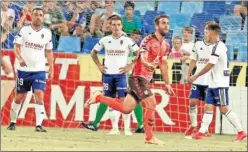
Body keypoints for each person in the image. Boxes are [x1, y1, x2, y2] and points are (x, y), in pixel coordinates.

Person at [84, 14, 175, 145]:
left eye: (167, 23)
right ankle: (149, 137)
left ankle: (99, 97)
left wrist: (167, 83)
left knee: (125, 108)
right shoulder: (148, 39)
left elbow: (163, 64)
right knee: (152, 104)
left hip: (145, 79)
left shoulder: (166, 45)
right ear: (156, 26)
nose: (166, 26)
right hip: (138, 77)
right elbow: (141, 55)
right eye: (163, 23)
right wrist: (146, 63)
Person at [81, 15, 139, 136]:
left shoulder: (127, 40)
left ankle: (127, 130)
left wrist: (131, 66)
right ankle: (114, 129)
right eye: (114, 25)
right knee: (108, 100)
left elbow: (139, 53)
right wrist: (99, 66)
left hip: (121, 75)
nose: (116, 27)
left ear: (121, 26)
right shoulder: (105, 40)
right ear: (110, 26)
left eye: (118, 25)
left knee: (124, 101)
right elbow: (93, 53)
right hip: (108, 75)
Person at [188, 24, 247, 141]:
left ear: (212, 33)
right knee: (208, 107)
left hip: (220, 84)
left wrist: (195, 75)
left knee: (224, 109)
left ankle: (241, 132)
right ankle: (201, 132)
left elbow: (210, 65)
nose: (206, 35)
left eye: (207, 33)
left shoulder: (219, 47)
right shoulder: (214, 45)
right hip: (213, 83)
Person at [7, 7, 54, 132]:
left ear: (43, 17)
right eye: (35, 14)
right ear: (31, 16)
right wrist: (20, 58)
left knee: (39, 95)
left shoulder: (47, 33)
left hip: (39, 70)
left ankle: (38, 125)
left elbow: (49, 52)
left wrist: (51, 68)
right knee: (19, 97)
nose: (38, 17)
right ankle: (12, 122)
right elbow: (16, 47)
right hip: (24, 71)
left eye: (40, 15)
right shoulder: (24, 30)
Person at [184, 21, 216, 139]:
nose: (207, 31)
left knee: (208, 105)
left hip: (210, 80)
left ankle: (205, 129)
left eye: (210, 29)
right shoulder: (197, 44)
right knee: (192, 102)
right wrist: (188, 75)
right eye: (206, 28)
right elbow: (193, 60)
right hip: (197, 79)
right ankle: (194, 124)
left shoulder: (217, 45)